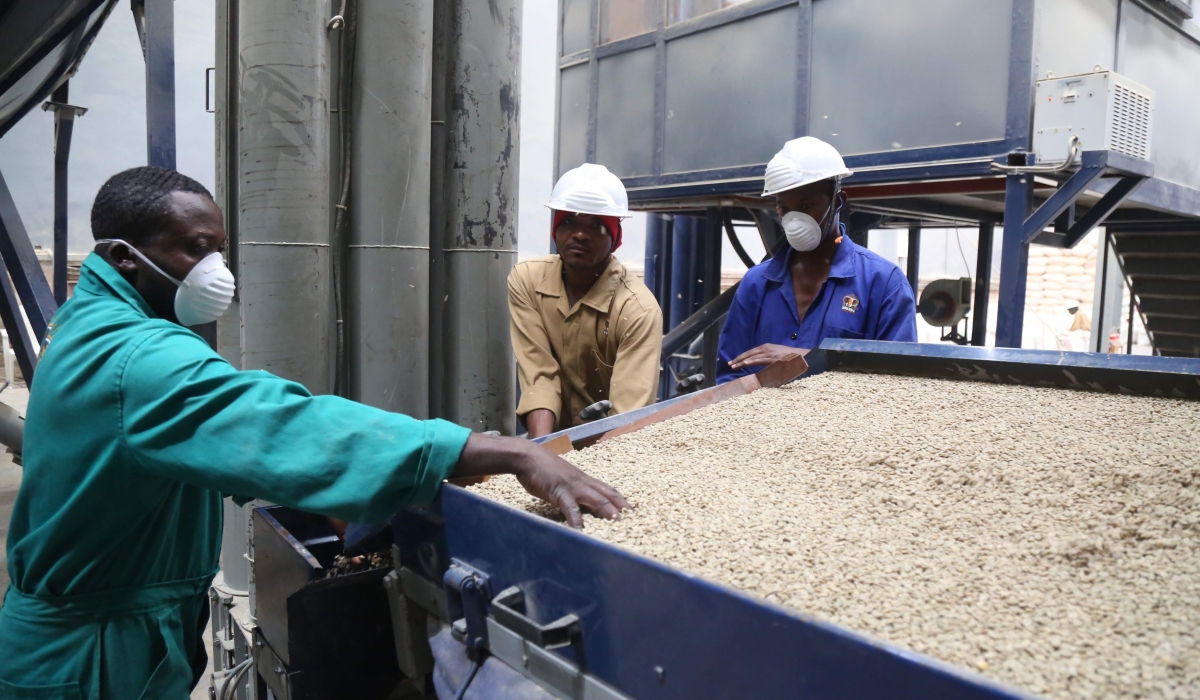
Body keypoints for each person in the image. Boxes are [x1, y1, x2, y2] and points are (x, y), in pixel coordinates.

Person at [0, 167, 627, 699]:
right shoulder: (138, 358)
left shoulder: (93, 321)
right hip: (90, 659)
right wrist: (501, 451)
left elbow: (220, 446)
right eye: (195, 249)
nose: (215, 269)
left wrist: (329, 494)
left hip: (113, 632)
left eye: (219, 248)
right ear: (122, 257)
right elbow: (276, 420)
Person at [716, 137, 917, 382]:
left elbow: (899, 380)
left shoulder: (883, 284)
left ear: (838, 201)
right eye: (784, 209)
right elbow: (730, 378)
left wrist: (807, 358)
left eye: (807, 205)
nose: (794, 220)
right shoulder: (756, 283)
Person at [509, 164, 662, 438]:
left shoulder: (637, 310)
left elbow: (626, 419)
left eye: (597, 225)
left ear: (616, 239)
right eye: (569, 221)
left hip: (611, 447)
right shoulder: (528, 281)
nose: (580, 234)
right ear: (554, 229)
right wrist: (541, 454)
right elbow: (540, 377)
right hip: (552, 441)